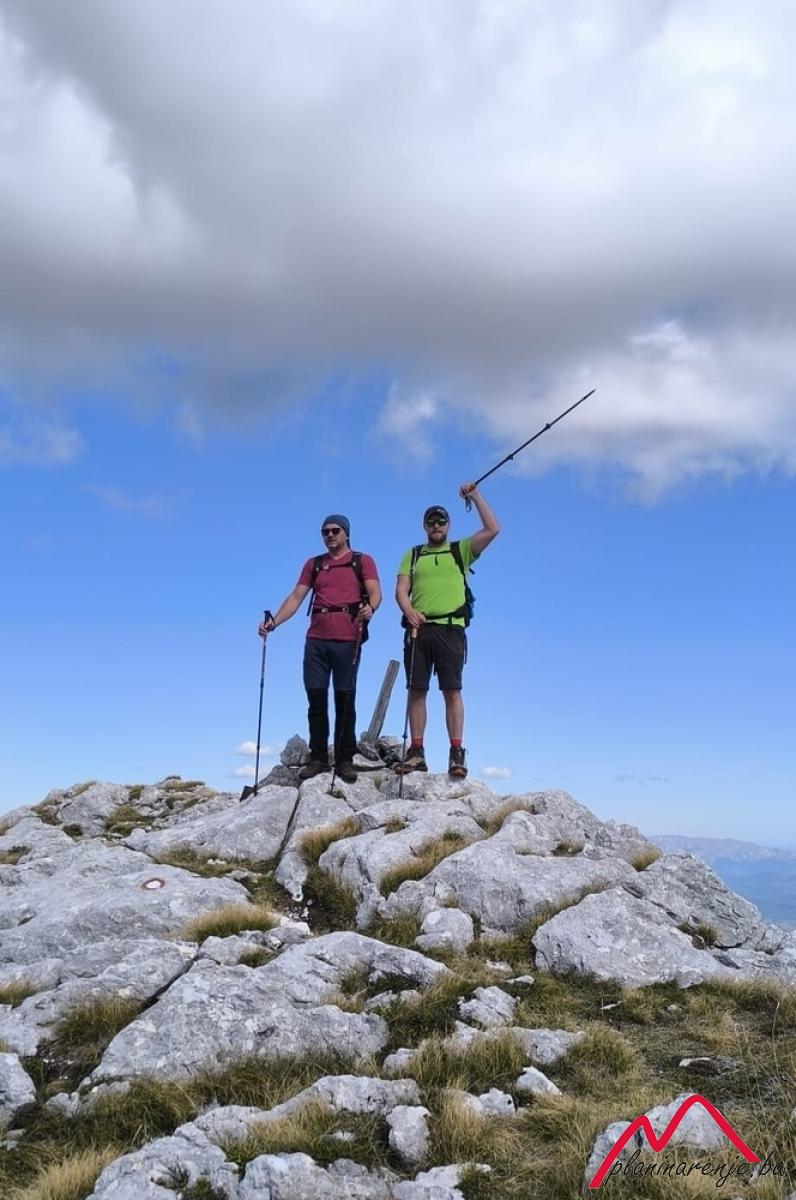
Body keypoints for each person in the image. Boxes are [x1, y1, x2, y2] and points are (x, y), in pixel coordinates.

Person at [259, 515, 380, 783]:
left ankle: (345, 759)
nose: (330, 535)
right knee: (316, 699)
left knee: (344, 700)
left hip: (348, 638)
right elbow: (296, 597)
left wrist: (371, 607)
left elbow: (375, 592)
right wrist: (274, 622)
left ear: (346, 533)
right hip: (316, 640)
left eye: (335, 530)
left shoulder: (362, 561)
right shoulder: (313, 564)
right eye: (325, 532)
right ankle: (318, 758)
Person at [395, 484, 499, 778]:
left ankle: (456, 753)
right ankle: (417, 752)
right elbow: (401, 590)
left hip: (451, 628)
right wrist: (409, 611)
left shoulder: (460, 550)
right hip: (419, 629)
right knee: (416, 690)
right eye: (431, 521)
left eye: (441, 521)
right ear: (425, 526)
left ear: (448, 524)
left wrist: (475, 496)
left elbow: (492, 529)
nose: (436, 525)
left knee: (452, 690)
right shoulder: (413, 554)